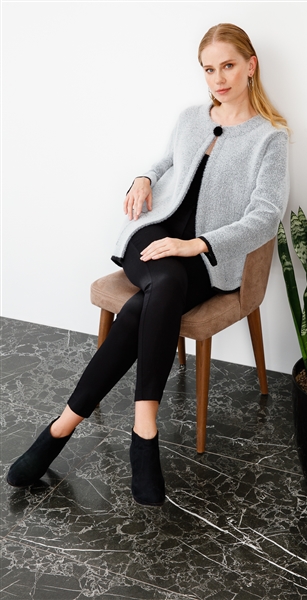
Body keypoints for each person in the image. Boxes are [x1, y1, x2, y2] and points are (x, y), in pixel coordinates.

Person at [7, 23, 289, 507]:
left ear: (250, 65)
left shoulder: (270, 139)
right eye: (209, 69)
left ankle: (60, 429)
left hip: (202, 258)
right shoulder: (190, 118)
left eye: (227, 66)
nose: (218, 79)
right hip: (151, 236)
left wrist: (197, 244)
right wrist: (142, 177)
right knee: (163, 279)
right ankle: (144, 432)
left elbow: (265, 217)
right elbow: (163, 164)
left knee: (150, 299)